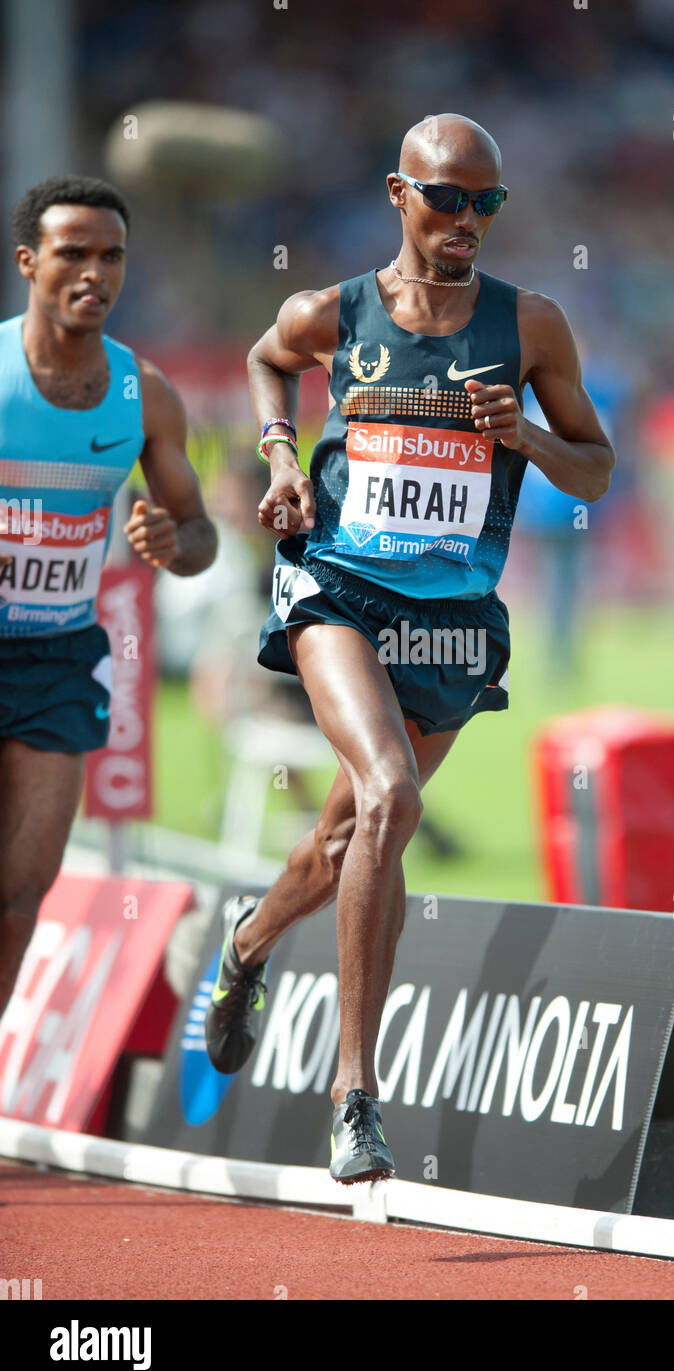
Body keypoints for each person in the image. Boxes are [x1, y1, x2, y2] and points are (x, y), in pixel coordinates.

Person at [205, 114, 614, 1183]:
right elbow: (264, 357)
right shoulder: (332, 311)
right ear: (400, 194)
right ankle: (356, 1097)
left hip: (450, 620)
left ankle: (245, 942)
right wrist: (281, 456)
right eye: (447, 198)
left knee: (345, 846)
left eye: (488, 203)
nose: (466, 221)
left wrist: (521, 433)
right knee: (389, 795)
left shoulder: (532, 328)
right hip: (337, 588)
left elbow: (595, 470)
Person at [0, 175, 218, 1025]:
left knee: (22, 899)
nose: (96, 272)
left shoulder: (145, 396)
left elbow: (199, 533)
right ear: (29, 262)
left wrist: (173, 543)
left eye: (112, 256)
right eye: (73, 254)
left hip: (58, 659)